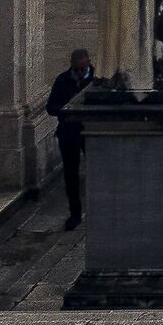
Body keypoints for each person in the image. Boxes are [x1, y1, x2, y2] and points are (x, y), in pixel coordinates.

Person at [45, 48, 95, 229]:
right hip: (69, 132)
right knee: (71, 174)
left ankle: (96, 210)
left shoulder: (96, 80)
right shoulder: (62, 80)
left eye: (83, 69)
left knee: (96, 172)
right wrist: (66, 109)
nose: (81, 74)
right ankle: (75, 213)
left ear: (89, 63)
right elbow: (50, 107)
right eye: (77, 70)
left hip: (90, 131)